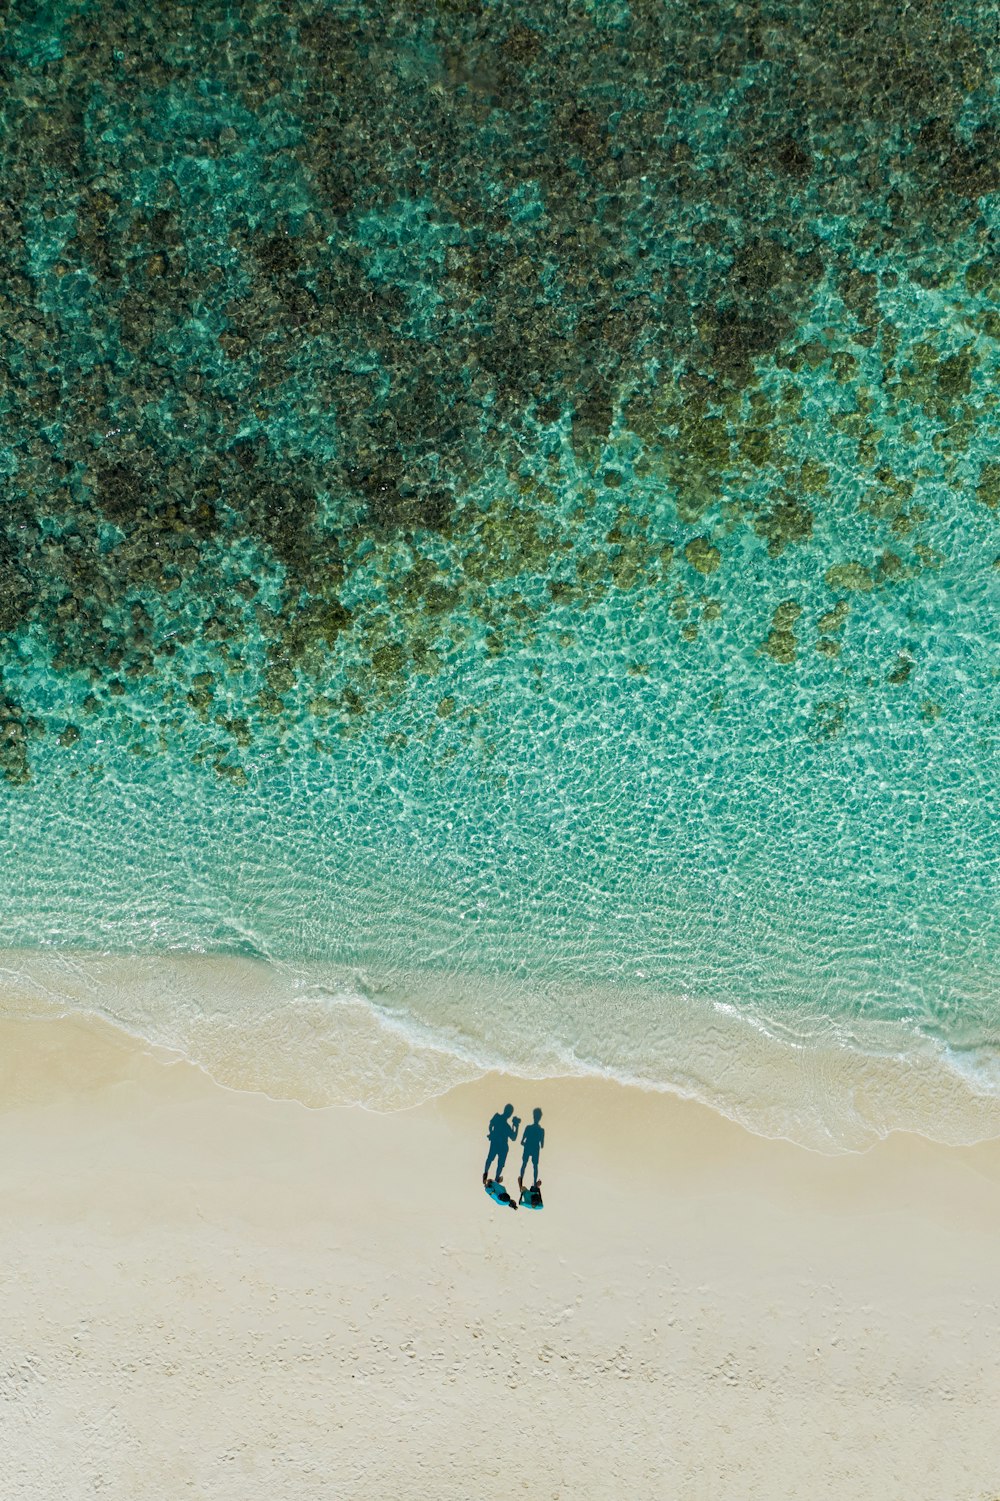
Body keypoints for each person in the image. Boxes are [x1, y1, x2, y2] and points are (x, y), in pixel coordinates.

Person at [483, 1104, 520, 1184]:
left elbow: (490, 1125)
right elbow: (513, 1138)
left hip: (495, 1142)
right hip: (503, 1145)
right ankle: (496, 1179)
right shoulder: (507, 1126)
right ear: (510, 1114)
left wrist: (491, 1133)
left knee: (490, 1158)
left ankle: (485, 1174)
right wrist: (516, 1126)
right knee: (499, 1164)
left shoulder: (497, 1117)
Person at [518, 1108, 544, 1191]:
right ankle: (534, 1183)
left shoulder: (528, 1128)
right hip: (535, 1148)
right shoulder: (541, 1130)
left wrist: (526, 1143)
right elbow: (542, 1144)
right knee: (535, 1166)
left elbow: (522, 1142)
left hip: (528, 1146)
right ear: (540, 1117)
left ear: (533, 1116)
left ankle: (521, 1181)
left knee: (524, 1163)